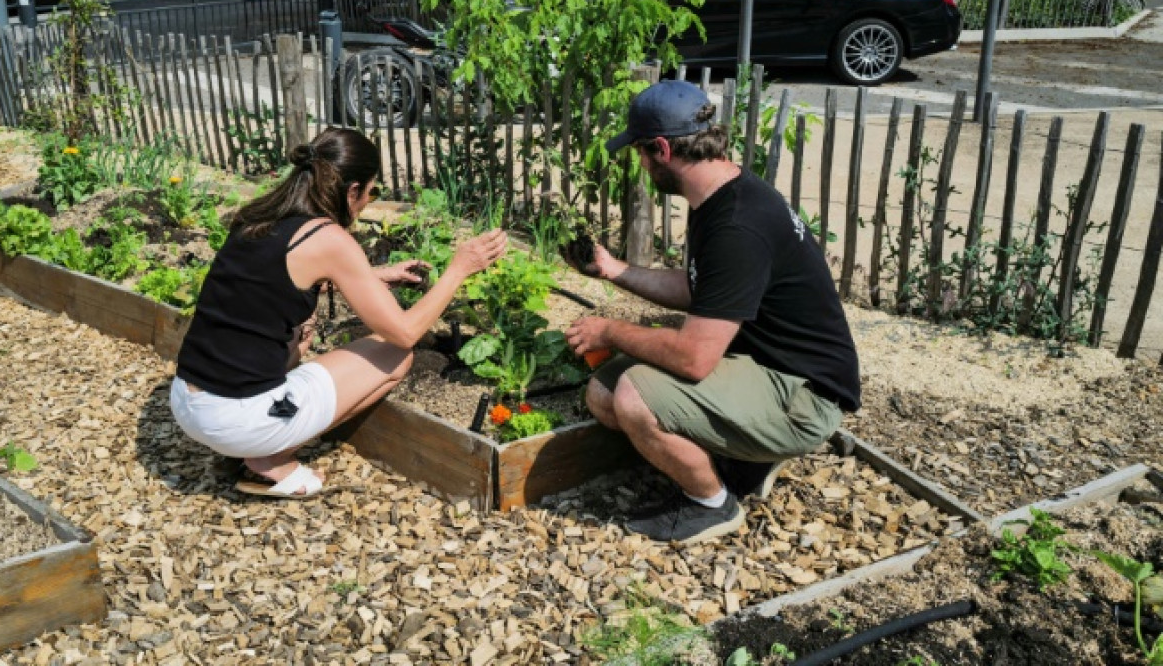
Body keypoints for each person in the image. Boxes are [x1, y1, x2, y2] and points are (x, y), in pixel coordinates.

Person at [564, 80, 860, 543]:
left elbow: (693, 358)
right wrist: (613, 270)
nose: (639, 163)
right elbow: (701, 287)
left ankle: (711, 504)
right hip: (763, 366)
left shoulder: (739, 225)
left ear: (662, 148)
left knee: (632, 396)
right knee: (604, 392)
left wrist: (611, 330)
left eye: (641, 152)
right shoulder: (720, 194)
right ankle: (747, 458)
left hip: (802, 395)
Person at [171, 127, 507, 498]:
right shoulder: (329, 238)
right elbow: (405, 332)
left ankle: (246, 445)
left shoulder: (259, 216)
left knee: (296, 335)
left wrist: (372, 276)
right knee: (394, 355)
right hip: (238, 420)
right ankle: (268, 460)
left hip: (187, 402)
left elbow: (277, 278)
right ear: (351, 191)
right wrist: (460, 267)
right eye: (371, 192)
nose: (367, 203)